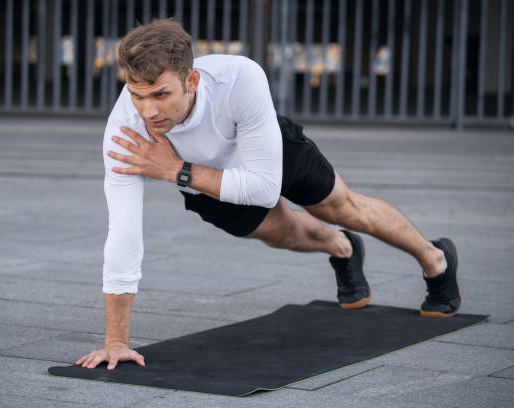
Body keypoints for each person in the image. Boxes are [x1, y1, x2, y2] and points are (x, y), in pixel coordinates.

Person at [75, 19, 461, 371]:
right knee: (288, 232)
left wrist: (175, 169)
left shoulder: (240, 77)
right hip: (206, 186)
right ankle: (343, 249)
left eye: (160, 94)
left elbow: (263, 187)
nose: (148, 110)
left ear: (191, 81)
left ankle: (436, 258)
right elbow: (123, 232)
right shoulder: (125, 130)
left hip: (266, 151)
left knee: (345, 208)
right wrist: (115, 341)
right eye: (137, 95)